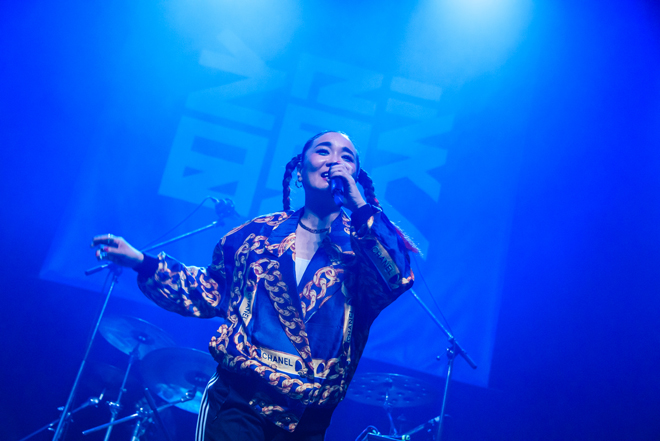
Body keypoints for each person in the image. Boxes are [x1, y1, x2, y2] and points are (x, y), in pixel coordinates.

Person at [91, 131, 416, 441]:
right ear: (300, 172)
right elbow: (208, 290)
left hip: (308, 416)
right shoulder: (256, 236)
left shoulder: (361, 250)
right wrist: (142, 262)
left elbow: (396, 277)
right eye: (323, 151)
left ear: (355, 176)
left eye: (346, 157)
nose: (334, 161)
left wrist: (360, 206)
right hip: (240, 399)